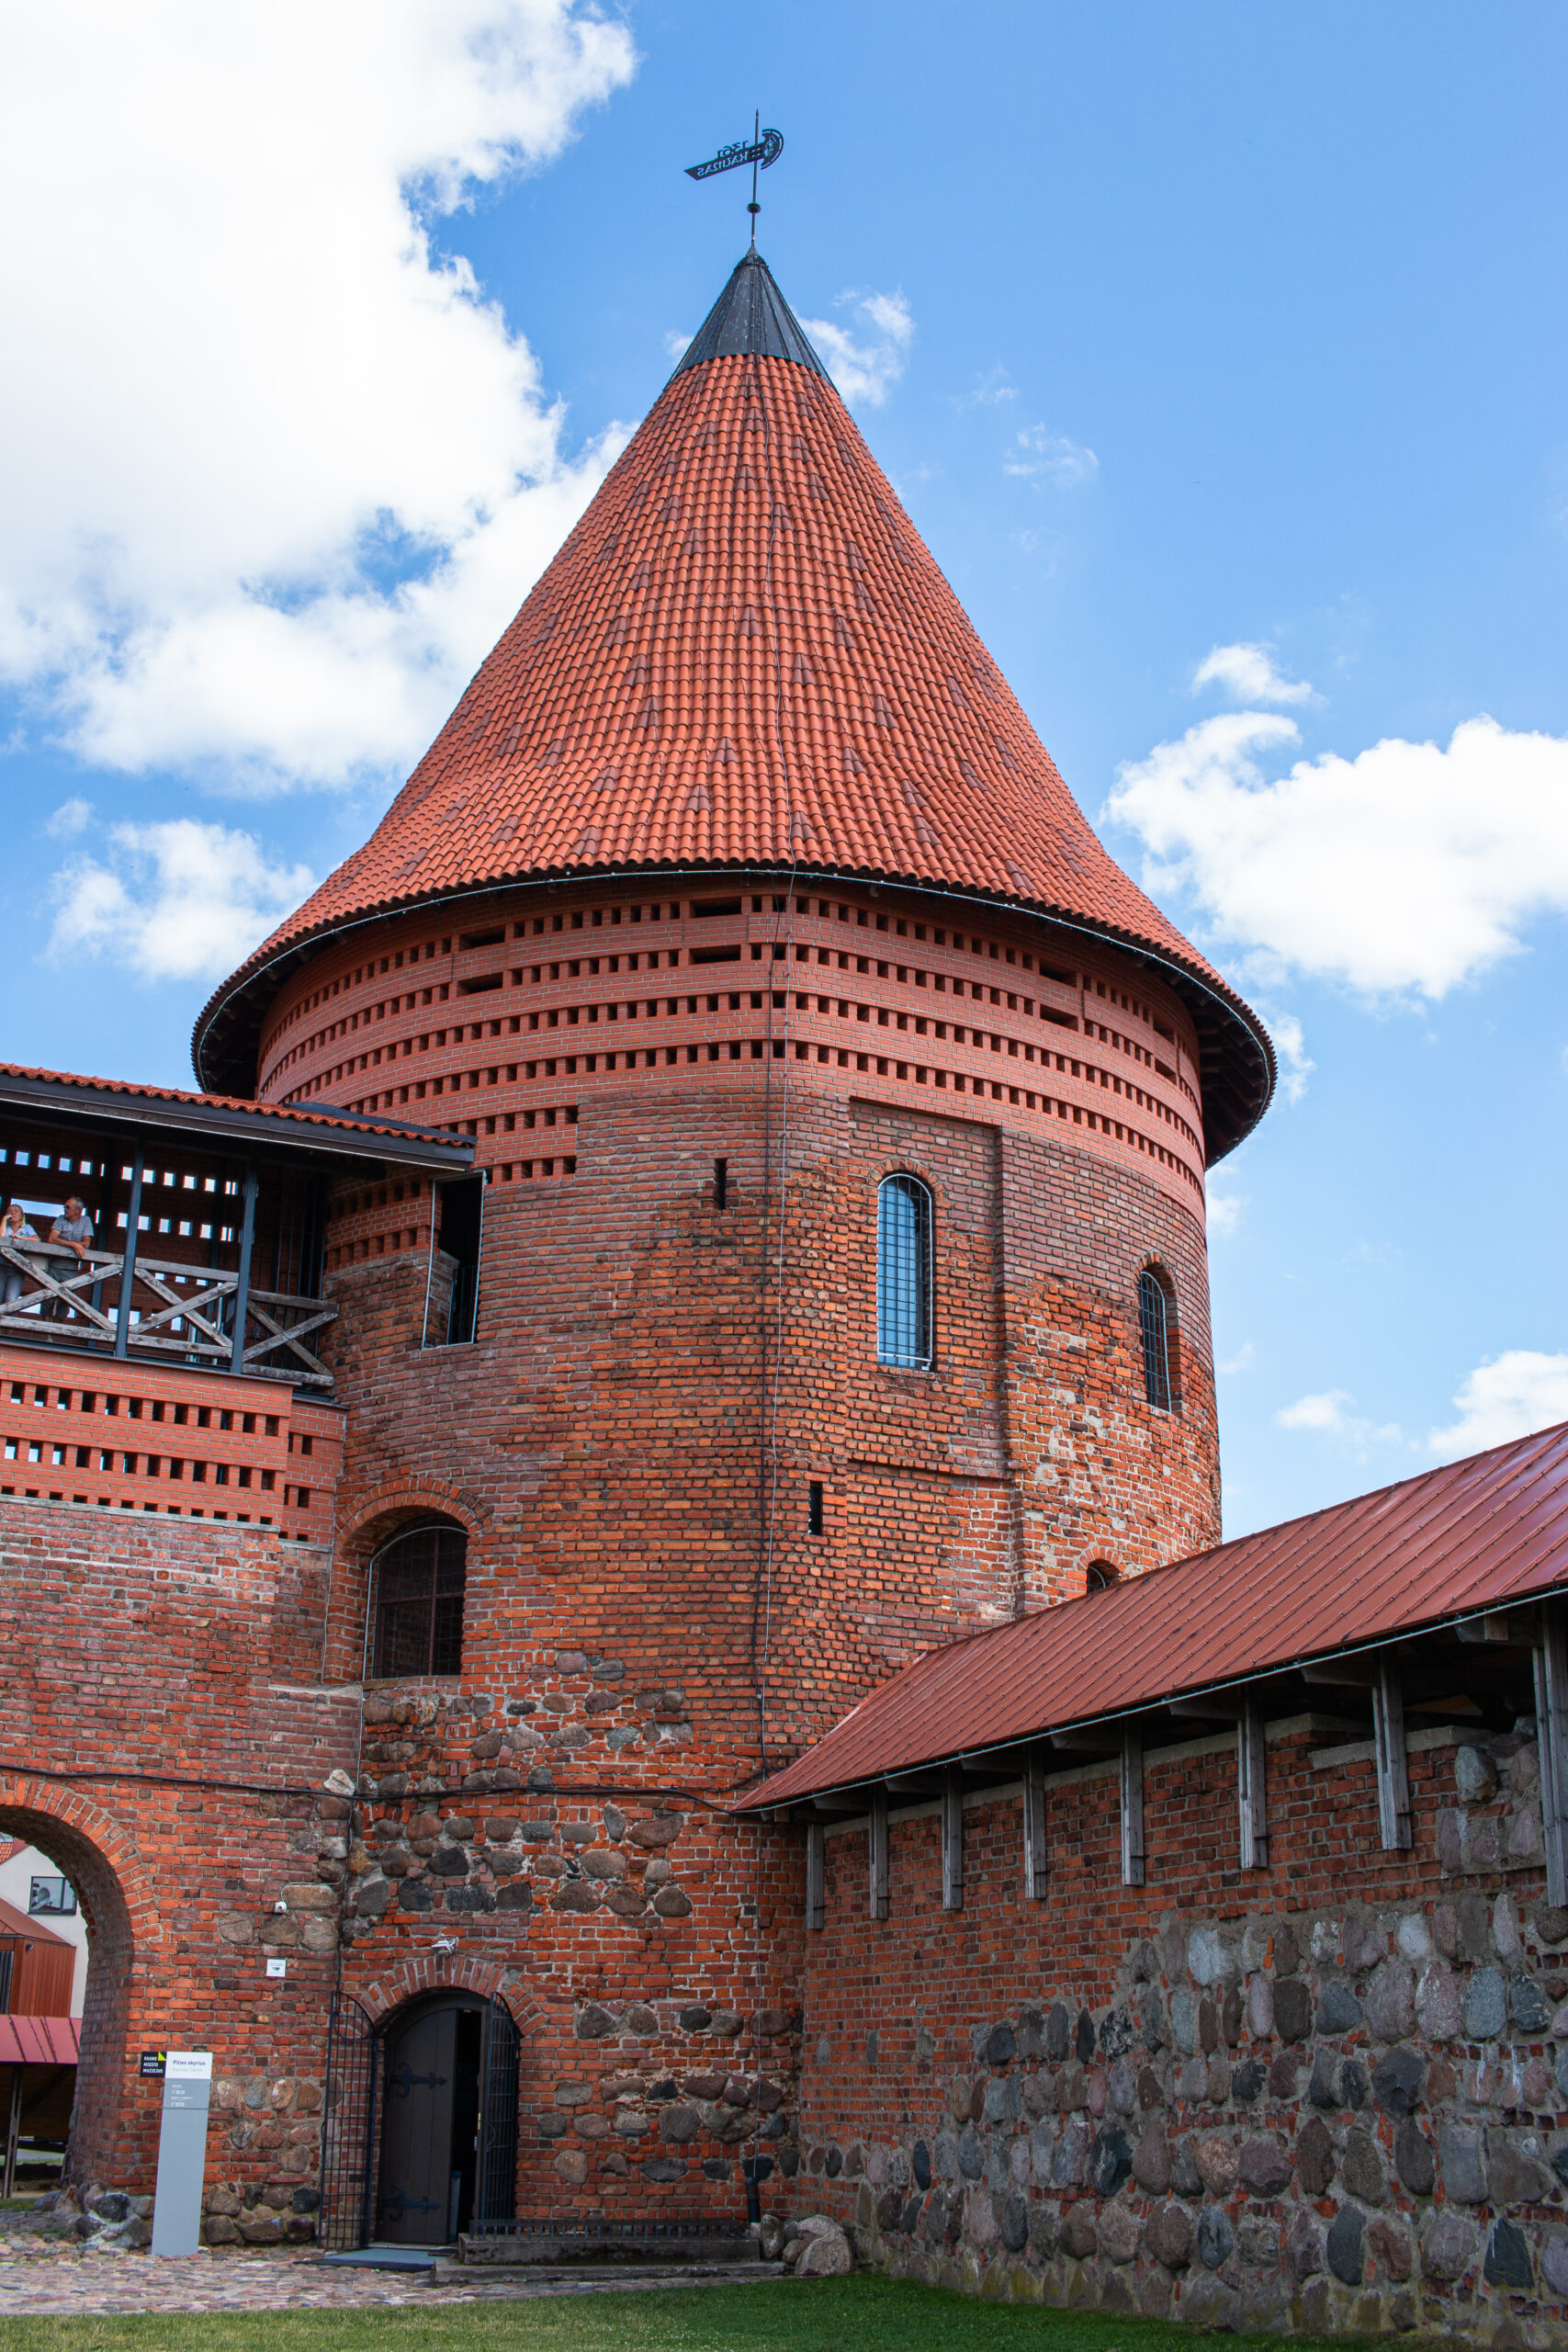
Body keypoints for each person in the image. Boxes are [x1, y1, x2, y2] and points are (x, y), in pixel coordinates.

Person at [45, 1197, 95, 1319]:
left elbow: (86, 1244)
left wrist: (66, 1243)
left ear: (78, 1210)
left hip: (71, 1269)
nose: (64, 1209)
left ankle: (55, 1333)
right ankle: (47, 1336)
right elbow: (52, 1239)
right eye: (64, 1206)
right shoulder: (61, 1219)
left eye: (68, 1207)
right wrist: (74, 1244)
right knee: (47, 1300)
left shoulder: (86, 1220)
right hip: (53, 1266)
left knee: (66, 1302)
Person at [1, 1202, 39, 1307]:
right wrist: (4, 1220)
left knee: (11, 1300)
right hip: (2, 1266)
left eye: (15, 1211)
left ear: (21, 1216)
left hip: (17, 1268)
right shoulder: (5, 1227)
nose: (12, 1213)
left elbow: (36, 1240)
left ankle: (8, 1323)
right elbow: (2, 1238)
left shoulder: (27, 1228)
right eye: (9, 1211)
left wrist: (21, 1238)